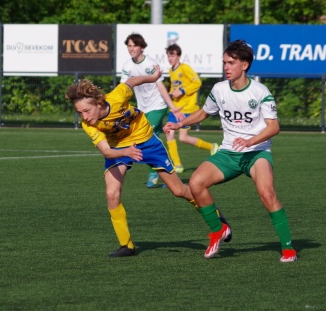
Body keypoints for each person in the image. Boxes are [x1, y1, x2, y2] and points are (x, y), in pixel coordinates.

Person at [65, 65, 230, 257]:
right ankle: (126, 245)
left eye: (87, 110)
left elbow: (133, 81)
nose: (84, 117)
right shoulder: (88, 124)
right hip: (119, 148)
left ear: (99, 103)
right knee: (112, 193)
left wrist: (153, 78)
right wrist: (126, 150)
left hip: (146, 140)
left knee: (178, 190)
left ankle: (216, 218)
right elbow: (107, 152)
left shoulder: (117, 96)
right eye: (80, 113)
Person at [163, 40, 297, 262]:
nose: (226, 67)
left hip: (257, 152)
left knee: (267, 194)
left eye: (231, 62)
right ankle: (219, 229)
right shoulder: (219, 89)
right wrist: (180, 124)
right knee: (196, 183)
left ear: (244, 65)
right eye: (224, 62)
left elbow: (274, 127)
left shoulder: (260, 91)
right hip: (229, 153)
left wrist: (250, 141)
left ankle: (288, 247)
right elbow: (204, 113)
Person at [121, 33, 185, 188]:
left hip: (158, 106)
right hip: (143, 108)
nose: (131, 49)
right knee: (151, 140)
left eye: (134, 45)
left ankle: (154, 172)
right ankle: (166, 172)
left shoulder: (150, 64)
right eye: (129, 46)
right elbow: (123, 90)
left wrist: (173, 108)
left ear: (141, 47)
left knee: (145, 136)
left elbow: (161, 87)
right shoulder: (127, 66)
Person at [165, 44, 219, 173]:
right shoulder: (171, 70)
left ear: (178, 56)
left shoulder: (185, 68)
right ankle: (177, 164)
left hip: (187, 109)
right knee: (169, 132)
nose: (170, 58)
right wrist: (172, 92)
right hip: (176, 109)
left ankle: (211, 146)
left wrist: (182, 91)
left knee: (183, 138)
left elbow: (197, 82)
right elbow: (175, 87)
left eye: (172, 55)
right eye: (168, 55)